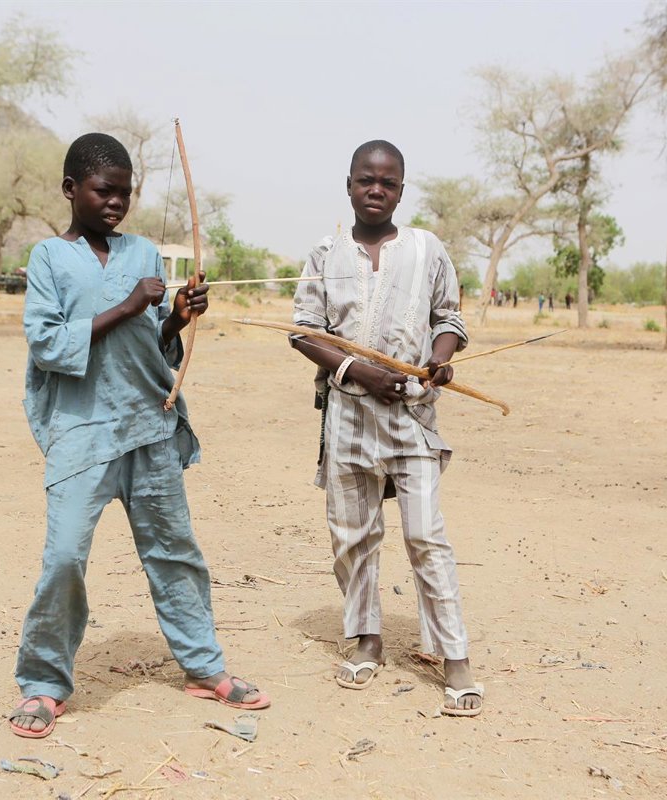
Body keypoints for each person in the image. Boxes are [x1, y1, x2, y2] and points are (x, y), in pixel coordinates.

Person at [10, 133, 270, 739]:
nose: (116, 203)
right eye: (104, 191)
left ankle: (204, 668)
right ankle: (43, 683)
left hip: (147, 426)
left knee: (174, 552)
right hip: (82, 429)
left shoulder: (144, 253)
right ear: (71, 189)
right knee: (64, 557)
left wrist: (177, 316)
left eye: (125, 193)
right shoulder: (48, 257)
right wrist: (130, 305)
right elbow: (47, 344)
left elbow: (154, 345)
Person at [290, 139, 482, 717]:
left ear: (401, 190)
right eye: (365, 180)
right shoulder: (325, 253)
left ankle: (454, 657)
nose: (376, 190)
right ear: (349, 185)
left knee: (426, 536)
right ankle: (366, 639)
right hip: (349, 414)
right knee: (353, 536)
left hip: (412, 414)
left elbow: (449, 319)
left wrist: (439, 361)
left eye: (388, 182)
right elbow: (304, 331)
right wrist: (360, 372)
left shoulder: (427, 249)